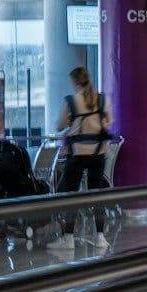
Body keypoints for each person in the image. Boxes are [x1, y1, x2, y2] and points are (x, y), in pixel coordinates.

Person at [52, 66, 113, 251]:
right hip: (98, 154)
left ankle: (68, 239)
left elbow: (59, 125)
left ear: (75, 82)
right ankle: (100, 237)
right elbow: (109, 122)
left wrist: (72, 122)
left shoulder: (71, 101)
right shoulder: (102, 100)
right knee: (96, 195)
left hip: (77, 155)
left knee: (71, 196)